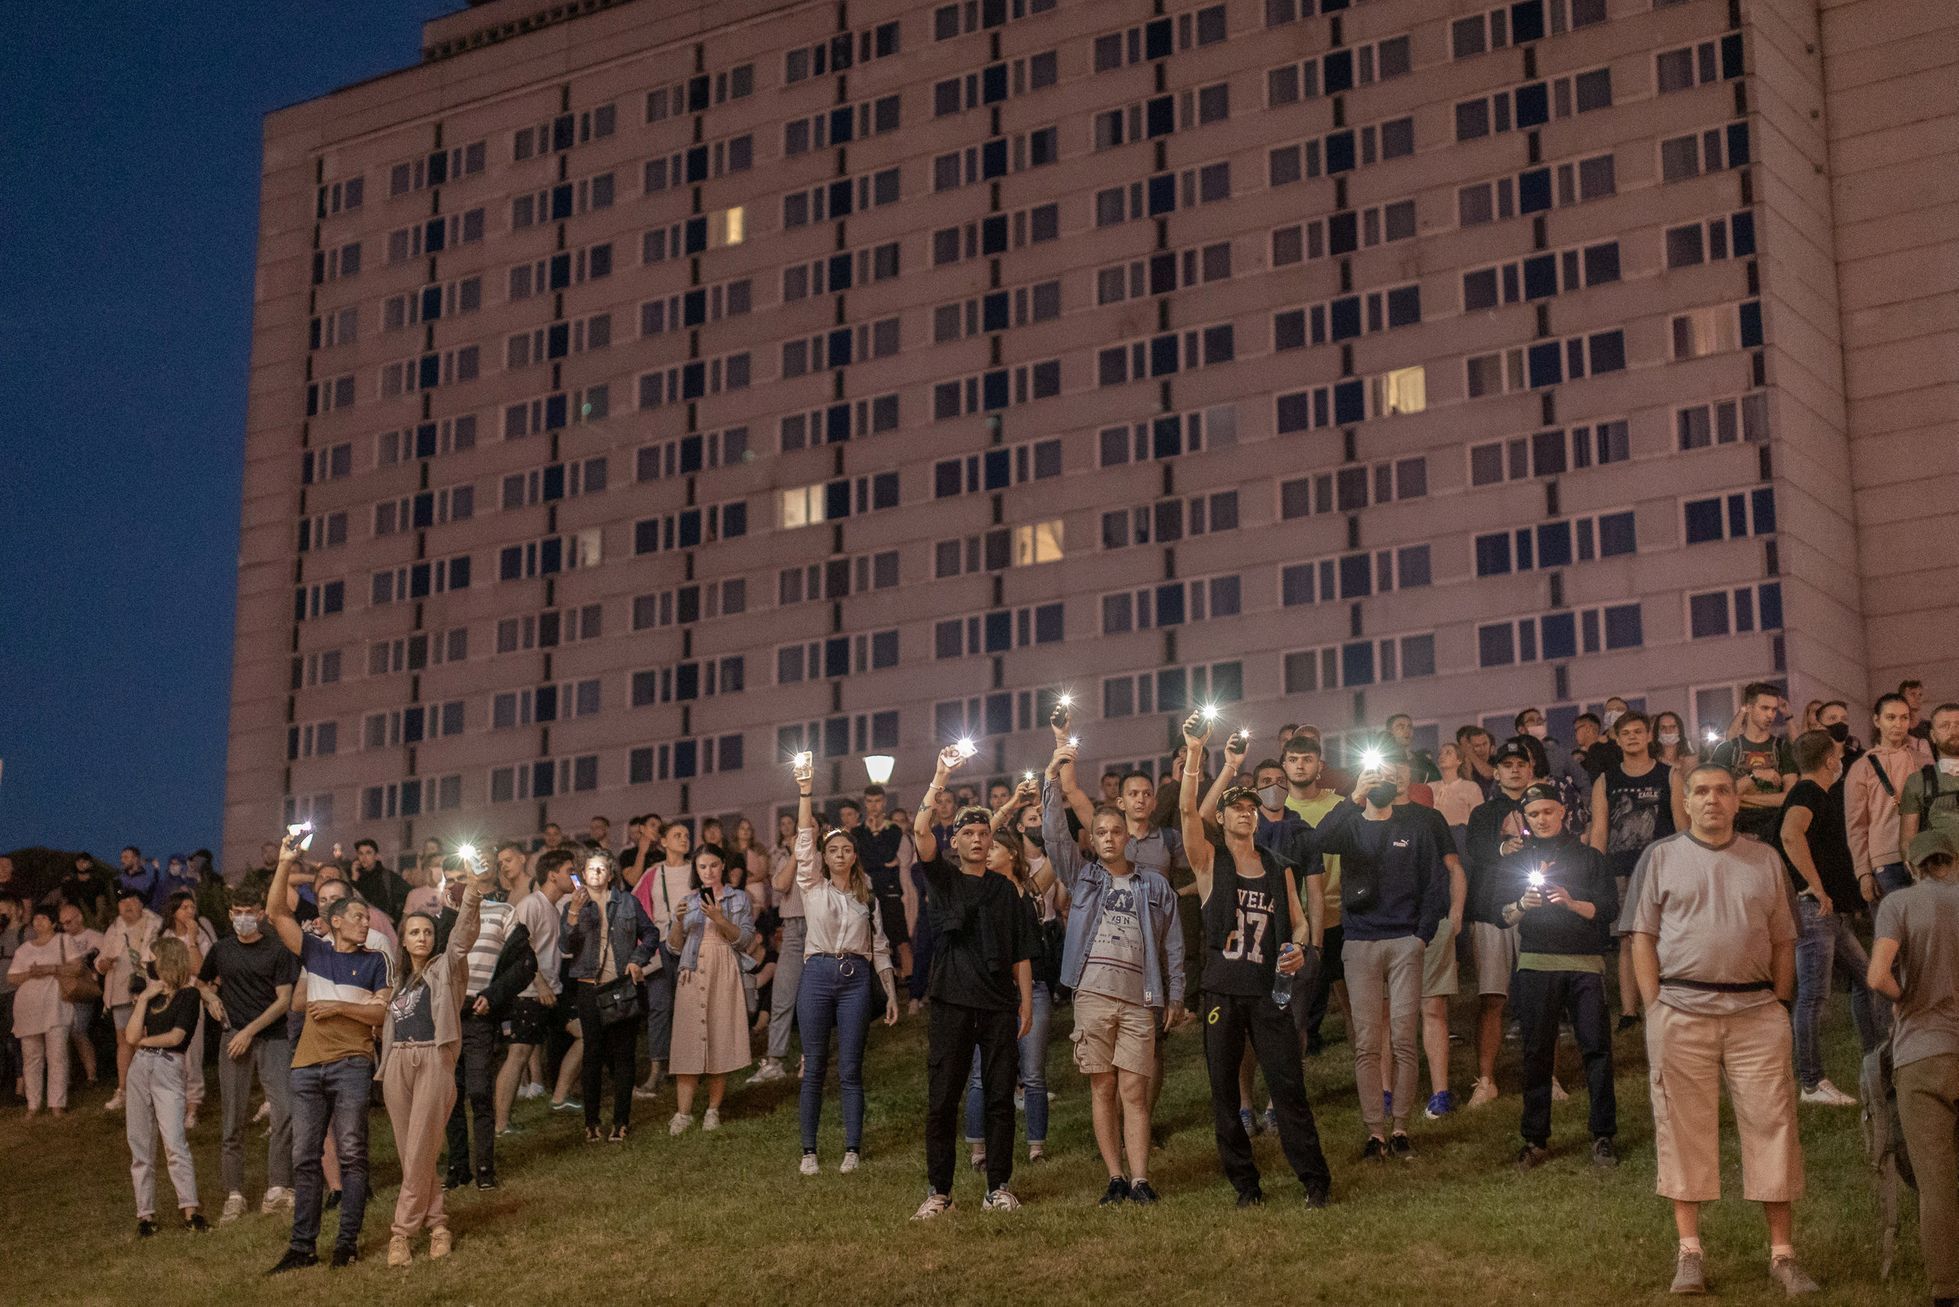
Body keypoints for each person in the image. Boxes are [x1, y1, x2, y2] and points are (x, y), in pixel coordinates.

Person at [1620, 763, 1816, 1297]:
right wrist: (1654, 1007)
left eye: (1722, 791)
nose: (1712, 800)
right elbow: (1641, 936)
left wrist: (1779, 1002)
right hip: (1681, 1011)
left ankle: (1783, 1255)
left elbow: (1783, 938)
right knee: (1683, 1129)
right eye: (1701, 792)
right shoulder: (1660, 857)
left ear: (1737, 800)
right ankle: (1690, 1253)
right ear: (1686, 801)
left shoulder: (1765, 858)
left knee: (1773, 1125)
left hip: (1756, 1014)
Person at [1180, 714, 1332, 1206]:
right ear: (1221, 819)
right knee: (1225, 1095)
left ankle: (1314, 1182)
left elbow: (1301, 921)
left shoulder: (1276, 867)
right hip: (1223, 989)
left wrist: (1297, 949)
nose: (1245, 812)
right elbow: (1186, 814)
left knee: (1289, 1089)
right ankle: (1247, 1186)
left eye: (1250, 806)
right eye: (1235, 808)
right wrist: (1198, 754)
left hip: (1269, 994)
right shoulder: (1208, 863)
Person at [1043, 741, 1187, 1203]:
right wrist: (1051, 782)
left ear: (1128, 836)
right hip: (1094, 995)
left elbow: (1174, 943)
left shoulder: (1155, 884)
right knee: (1102, 1086)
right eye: (1100, 831)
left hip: (1141, 997)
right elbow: (1054, 838)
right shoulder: (1083, 877)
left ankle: (1141, 1178)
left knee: (1134, 1089)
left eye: (1115, 831)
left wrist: (1176, 994)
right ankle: (1115, 1178)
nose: (1107, 837)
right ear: (1094, 838)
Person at [909, 747, 1036, 1219]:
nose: (978, 840)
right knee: (943, 1099)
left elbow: (1022, 949)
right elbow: (920, 829)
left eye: (985, 833)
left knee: (1002, 1098)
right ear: (956, 842)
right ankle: (939, 1191)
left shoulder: (1006, 888)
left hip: (999, 1005)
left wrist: (1026, 1003)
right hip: (951, 1003)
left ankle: (997, 1186)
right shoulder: (942, 879)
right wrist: (941, 773)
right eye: (969, 834)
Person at [266, 830, 392, 1273]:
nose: (366, 922)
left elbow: (381, 1015)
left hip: (352, 1065)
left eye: (367, 917)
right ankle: (302, 1247)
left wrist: (339, 1005)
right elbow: (275, 911)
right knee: (305, 1158)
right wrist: (285, 860)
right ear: (336, 921)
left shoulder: (377, 961)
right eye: (358, 916)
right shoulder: (315, 953)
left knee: (355, 1154)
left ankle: (347, 1243)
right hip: (307, 1067)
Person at [1317, 755, 1450, 1158]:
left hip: (1404, 941)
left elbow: (1436, 883)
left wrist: (1421, 936)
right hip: (1359, 943)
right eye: (1377, 775)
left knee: (1404, 1039)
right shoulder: (1351, 824)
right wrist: (1351, 798)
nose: (1384, 781)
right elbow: (1319, 841)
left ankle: (1401, 1129)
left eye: (1391, 776)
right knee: (1367, 1043)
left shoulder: (1415, 827)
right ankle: (1375, 1131)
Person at [1498, 783, 1619, 1171]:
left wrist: (1571, 902)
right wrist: (1522, 904)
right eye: (1533, 814)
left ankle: (1603, 1135)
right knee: (1536, 1050)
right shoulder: (1519, 859)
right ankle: (1535, 1139)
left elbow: (1608, 909)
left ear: (1562, 811)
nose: (1542, 819)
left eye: (1548, 811)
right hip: (1536, 962)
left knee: (1596, 1049)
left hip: (1585, 962)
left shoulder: (1588, 857)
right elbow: (1501, 914)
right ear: (1526, 819)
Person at [790, 756, 901, 1173]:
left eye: (846, 849)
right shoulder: (812, 888)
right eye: (832, 849)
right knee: (814, 1066)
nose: (839, 854)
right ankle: (809, 1151)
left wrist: (889, 993)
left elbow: (881, 947)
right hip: (817, 976)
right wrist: (805, 790)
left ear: (855, 856)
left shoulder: (866, 896)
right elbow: (804, 841)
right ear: (825, 856)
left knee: (851, 1069)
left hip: (855, 980)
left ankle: (852, 1149)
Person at [377, 858, 488, 1267]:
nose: (422, 937)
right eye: (414, 932)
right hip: (397, 1066)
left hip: (433, 1060)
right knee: (413, 1154)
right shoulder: (399, 985)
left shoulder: (447, 969)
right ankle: (438, 1223)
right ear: (403, 941)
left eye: (427, 932)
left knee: (422, 1146)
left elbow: (462, 937)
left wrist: (472, 892)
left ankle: (401, 1234)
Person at [1867, 828, 1959, 1307]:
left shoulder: (1898, 905)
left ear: (1914, 864)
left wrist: (1907, 999)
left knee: (1936, 1180)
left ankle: (1946, 1287)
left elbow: (1877, 975)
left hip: (1923, 1054)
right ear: (1955, 860)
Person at [1776, 729, 1882, 1107]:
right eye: (1838, 755)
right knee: (1812, 998)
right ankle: (1811, 1083)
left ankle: (1876, 1059)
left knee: (1867, 980)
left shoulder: (1815, 793)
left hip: (1830, 913)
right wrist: (1816, 886)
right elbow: (1791, 835)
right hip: (1815, 910)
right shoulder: (1807, 793)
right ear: (1830, 760)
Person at [197, 886, 297, 1222]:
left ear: (260, 914)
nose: (243, 918)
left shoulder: (277, 951)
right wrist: (211, 999)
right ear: (230, 914)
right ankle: (235, 1194)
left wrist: (249, 1031)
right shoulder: (221, 950)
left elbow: (283, 1000)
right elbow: (202, 983)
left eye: (249, 911)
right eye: (237, 912)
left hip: (272, 1038)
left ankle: (278, 1187)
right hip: (233, 1039)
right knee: (232, 1119)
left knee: (285, 1110)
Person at [962, 814, 1056, 1170]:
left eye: (994, 846)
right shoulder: (978, 889)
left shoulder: (1030, 890)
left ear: (1012, 854)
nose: (986, 851)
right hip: (991, 991)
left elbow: (1059, 856)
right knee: (979, 1073)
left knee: (1033, 1073)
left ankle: (1036, 1147)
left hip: (1034, 986)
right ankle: (978, 1148)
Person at [440, 845, 534, 1190]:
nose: (456, 886)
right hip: (446, 1017)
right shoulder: (439, 919)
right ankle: (457, 1167)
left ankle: (484, 1169)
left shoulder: (503, 912)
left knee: (479, 1091)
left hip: (479, 1014)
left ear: (477, 878)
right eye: (450, 880)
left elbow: (526, 964)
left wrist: (493, 997)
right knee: (450, 1094)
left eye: (462, 878)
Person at [1587, 712, 1683, 1033]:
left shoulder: (1669, 775)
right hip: (1621, 869)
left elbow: (1683, 826)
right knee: (1628, 938)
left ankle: (1665, 1002)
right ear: (1617, 738)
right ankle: (1629, 1011)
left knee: (1665, 937)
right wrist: (1596, 871)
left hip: (1662, 868)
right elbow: (1599, 830)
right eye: (1625, 732)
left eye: (1638, 732)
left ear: (1648, 736)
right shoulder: (1606, 780)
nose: (1632, 737)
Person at [561, 850, 658, 1142]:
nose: (596, 874)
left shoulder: (627, 901)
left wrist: (637, 960)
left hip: (622, 985)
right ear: (583, 872)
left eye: (602, 869)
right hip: (589, 986)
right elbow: (565, 945)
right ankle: (591, 1122)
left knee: (624, 1054)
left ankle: (621, 1121)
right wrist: (574, 913)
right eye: (591, 869)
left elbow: (651, 933)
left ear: (611, 873)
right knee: (593, 1053)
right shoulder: (575, 904)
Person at [1462, 739, 1536, 1109]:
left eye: (1520, 764)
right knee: (1492, 997)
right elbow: (1474, 850)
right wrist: (1502, 846)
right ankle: (1486, 1079)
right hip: (1491, 909)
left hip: (1537, 909)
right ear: (1496, 771)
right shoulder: (1483, 812)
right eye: (1506, 764)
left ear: (1531, 767)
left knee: (1541, 997)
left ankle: (1544, 1076)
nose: (1514, 770)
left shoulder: (1544, 805)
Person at [667, 843, 756, 1134]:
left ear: (723, 866)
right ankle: (683, 1113)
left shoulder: (739, 898)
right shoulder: (688, 900)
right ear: (696, 869)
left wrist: (719, 919)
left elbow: (744, 940)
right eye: (702, 866)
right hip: (692, 967)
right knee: (687, 1039)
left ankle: (713, 1110)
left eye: (714, 865)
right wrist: (679, 921)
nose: (708, 872)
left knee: (719, 1035)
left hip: (723, 966)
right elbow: (673, 946)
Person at [122, 935, 207, 1235]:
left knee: (174, 1141)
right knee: (140, 1143)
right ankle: (145, 1214)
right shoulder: (151, 996)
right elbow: (130, 1036)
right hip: (140, 1068)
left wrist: (144, 1041)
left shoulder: (189, 996)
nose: (149, 965)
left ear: (167, 961)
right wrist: (144, 998)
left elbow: (176, 1037)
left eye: (153, 959)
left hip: (167, 1067)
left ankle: (190, 1211)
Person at [494, 848, 571, 1135]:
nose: (573, 877)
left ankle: (560, 1096)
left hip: (551, 990)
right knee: (519, 1054)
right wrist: (538, 982)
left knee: (583, 1033)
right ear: (553, 875)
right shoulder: (531, 905)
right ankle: (501, 1124)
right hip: (529, 992)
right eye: (569, 872)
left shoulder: (553, 907)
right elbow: (516, 948)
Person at [1845, 692, 1932, 902]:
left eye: (1904, 718)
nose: (1898, 724)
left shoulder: (1924, 761)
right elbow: (1857, 825)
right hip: (1886, 860)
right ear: (1877, 720)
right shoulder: (1862, 767)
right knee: (1892, 930)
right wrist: (1864, 872)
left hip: (1925, 856)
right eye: (1891, 717)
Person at [632, 819, 694, 1099]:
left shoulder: (696, 870)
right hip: (659, 947)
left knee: (690, 1005)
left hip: (692, 945)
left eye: (686, 835)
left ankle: (688, 1065)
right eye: (677, 835)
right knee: (659, 1006)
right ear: (664, 842)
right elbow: (638, 907)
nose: (683, 839)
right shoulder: (654, 873)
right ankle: (657, 1068)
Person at [149, 891, 214, 1124]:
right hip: (168, 999)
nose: (189, 912)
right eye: (184, 908)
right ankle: (171, 1104)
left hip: (192, 997)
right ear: (174, 911)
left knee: (192, 1054)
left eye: (192, 907)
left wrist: (193, 940)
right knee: (168, 1053)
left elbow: (200, 969)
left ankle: (193, 1106)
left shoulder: (200, 935)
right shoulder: (163, 936)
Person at [1707, 682, 1798, 843]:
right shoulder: (1727, 749)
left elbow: (1789, 797)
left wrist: (1741, 797)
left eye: (1774, 709)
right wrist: (1753, 776)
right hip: (1735, 831)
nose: (1770, 715)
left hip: (1775, 830)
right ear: (1748, 708)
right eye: (1764, 708)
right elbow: (1717, 794)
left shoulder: (1783, 748)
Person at [754, 812, 807, 1084]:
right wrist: (797, 856)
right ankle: (774, 1060)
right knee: (782, 994)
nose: (801, 836)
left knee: (814, 999)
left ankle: (809, 1059)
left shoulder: (826, 859)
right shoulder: (788, 860)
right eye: (798, 832)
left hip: (818, 931)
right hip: (793, 930)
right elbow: (780, 885)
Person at [852, 783, 914, 1006]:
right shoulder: (857, 832)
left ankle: (910, 986)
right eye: (869, 801)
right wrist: (884, 861)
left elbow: (888, 853)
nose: (873, 806)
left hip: (890, 890)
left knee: (899, 937)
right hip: (868, 890)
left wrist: (879, 842)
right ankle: (877, 985)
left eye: (877, 801)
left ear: (884, 802)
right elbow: (866, 860)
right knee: (871, 938)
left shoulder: (893, 830)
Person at [8, 906, 73, 1115]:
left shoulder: (63, 941)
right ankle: (33, 1103)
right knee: (31, 1057)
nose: (38, 922)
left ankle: (57, 1103)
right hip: (28, 1008)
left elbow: (77, 967)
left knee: (57, 1056)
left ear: (53, 922)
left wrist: (51, 969)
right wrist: (31, 973)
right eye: (36, 918)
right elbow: (12, 977)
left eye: (44, 918)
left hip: (55, 1005)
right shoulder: (24, 949)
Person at [1898, 702, 1959, 887]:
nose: (1953, 730)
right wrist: (1922, 883)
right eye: (1944, 726)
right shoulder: (1918, 781)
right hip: (1941, 880)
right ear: (1932, 735)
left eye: (1958, 724)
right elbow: (1907, 841)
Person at [55, 902, 104, 1094]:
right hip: (65, 990)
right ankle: (66, 1078)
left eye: (68, 922)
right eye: (62, 923)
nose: (66, 927)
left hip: (84, 991)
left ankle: (91, 1075)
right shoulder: (60, 940)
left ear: (79, 918)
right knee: (63, 1033)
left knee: (78, 1030)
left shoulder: (95, 938)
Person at [348, 841, 410, 926]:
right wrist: (354, 878)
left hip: (386, 925)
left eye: (368, 853)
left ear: (376, 856)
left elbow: (407, 895)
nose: (364, 857)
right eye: (360, 853)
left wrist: (396, 918)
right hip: (362, 924)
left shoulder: (388, 877)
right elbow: (350, 899)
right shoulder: (356, 878)